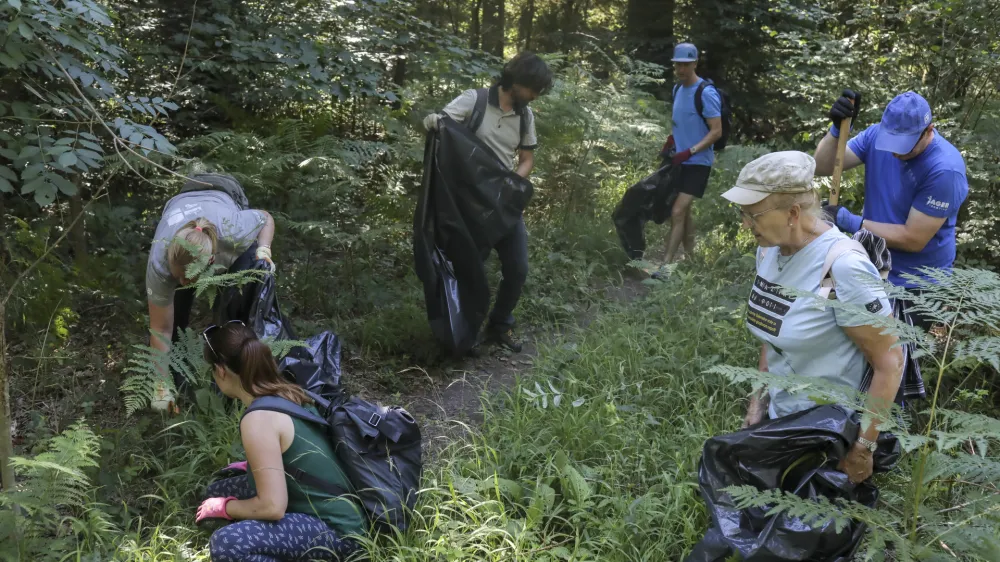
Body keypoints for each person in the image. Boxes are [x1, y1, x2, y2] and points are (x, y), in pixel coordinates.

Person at [723, 151, 904, 484]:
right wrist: (757, 406)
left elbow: (890, 361)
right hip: (782, 426)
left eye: (753, 215)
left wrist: (863, 449)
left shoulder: (839, 267)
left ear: (792, 213)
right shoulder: (768, 250)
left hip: (830, 440)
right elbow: (772, 332)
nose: (745, 224)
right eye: (743, 214)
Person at [197, 321, 364, 561]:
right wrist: (249, 468)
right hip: (333, 504)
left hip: (339, 533)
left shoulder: (257, 419)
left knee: (226, 544)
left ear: (221, 370)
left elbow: (272, 507)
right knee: (216, 490)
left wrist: (225, 507)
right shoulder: (286, 392)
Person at [421, 52, 553, 353]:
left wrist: (512, 184)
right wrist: (432, 123)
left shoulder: (525, 115)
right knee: (468, 270)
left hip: (504, 205)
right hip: (469, 207)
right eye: (532, 89)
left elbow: (527, 158)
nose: (534, 96)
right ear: (517, 81)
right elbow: (442, 126)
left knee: (517, 268)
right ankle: (461, 333)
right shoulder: (475, 100)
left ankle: (499, 325)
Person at [814, 90, 969, 330]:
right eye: (891, 142)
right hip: (869, 263)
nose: (896, 152)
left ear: (929, 130)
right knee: (833, 331)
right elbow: (823, 166)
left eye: (904, 145)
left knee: (893, 358)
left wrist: (848, 220)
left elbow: (913, 239)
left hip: (917, 285)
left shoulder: (945, 170)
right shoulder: (876, 135)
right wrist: (836, 131)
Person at [146, 175, 275, 411]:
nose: (184, 282)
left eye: (190, 277)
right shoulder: (160, 262)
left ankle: (235, 386)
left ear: (212, 261)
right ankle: (178, 394)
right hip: (185, 195)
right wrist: (160, 384)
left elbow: (265, 218)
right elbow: (160, 330)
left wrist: (264, 250)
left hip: (225, 190)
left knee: (234, 311)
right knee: (175, 323)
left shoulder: (234, 230)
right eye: (178, 277)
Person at [659, 42, 723, 267]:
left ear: (695, 63)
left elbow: (716, 131)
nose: (681, 69)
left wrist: (691, 151)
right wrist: (672, 141)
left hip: (698, 161)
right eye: (678, 65)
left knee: (677, 211)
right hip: (679, 160)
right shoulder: (677, 89)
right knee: (683, 212)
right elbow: (681, 123)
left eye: (686, 64)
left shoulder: (706, 92)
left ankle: (666, 265)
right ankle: (691, 257)